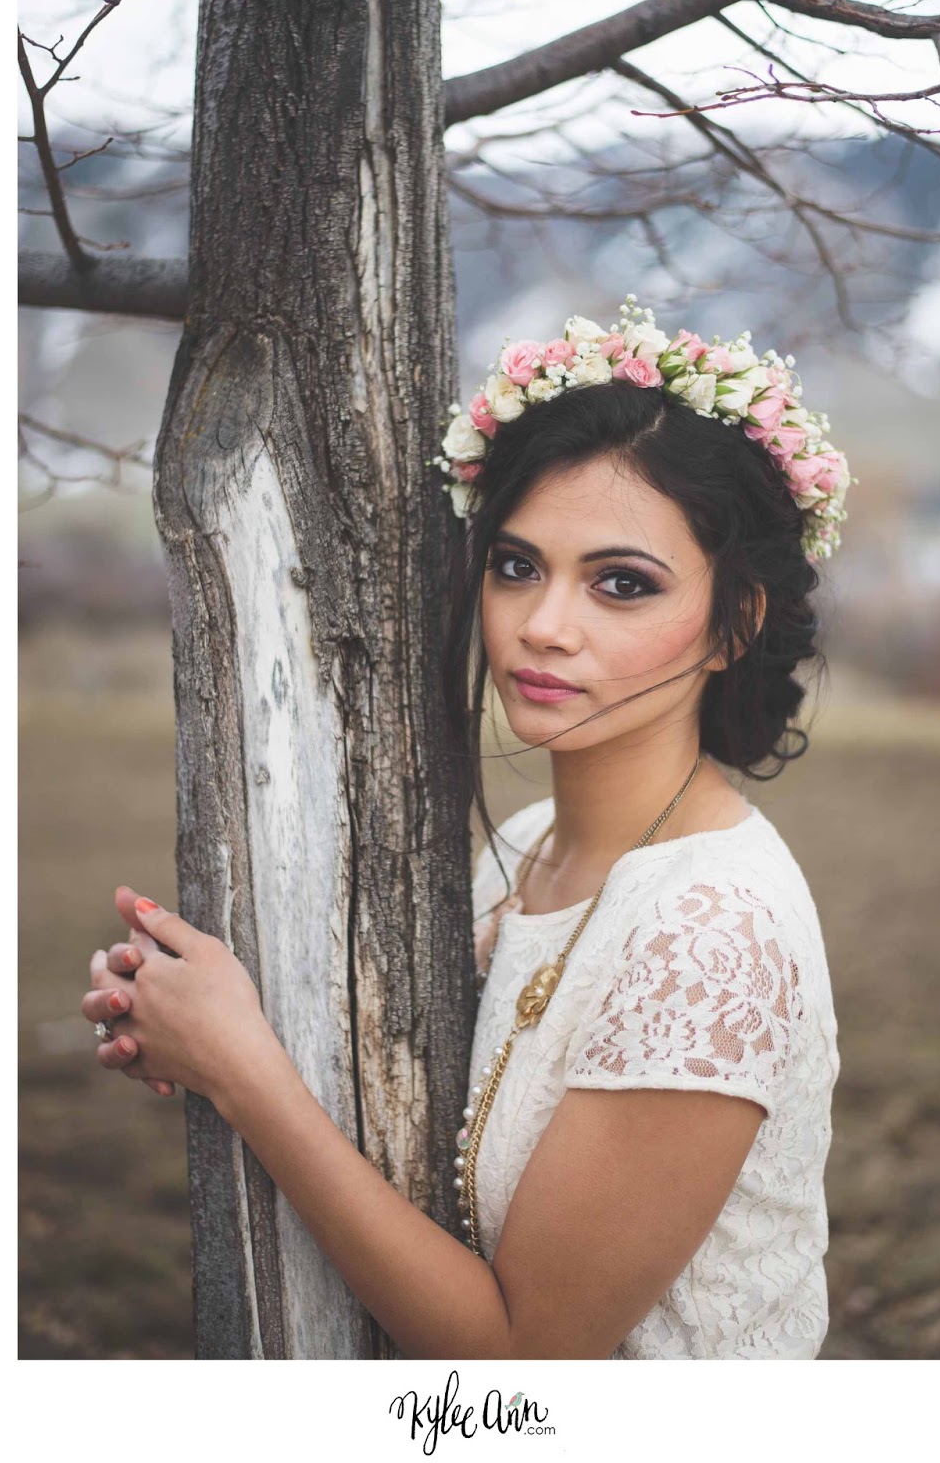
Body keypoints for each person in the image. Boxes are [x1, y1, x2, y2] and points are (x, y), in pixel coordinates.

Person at [81, 296, 848, 1359]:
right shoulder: (520, 846)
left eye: (620, 584)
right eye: (516, 564)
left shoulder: (709, 932)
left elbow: (524, 1356)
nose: (540, 624)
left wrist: (238, 1070)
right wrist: (179, 1008)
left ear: (735, 623)